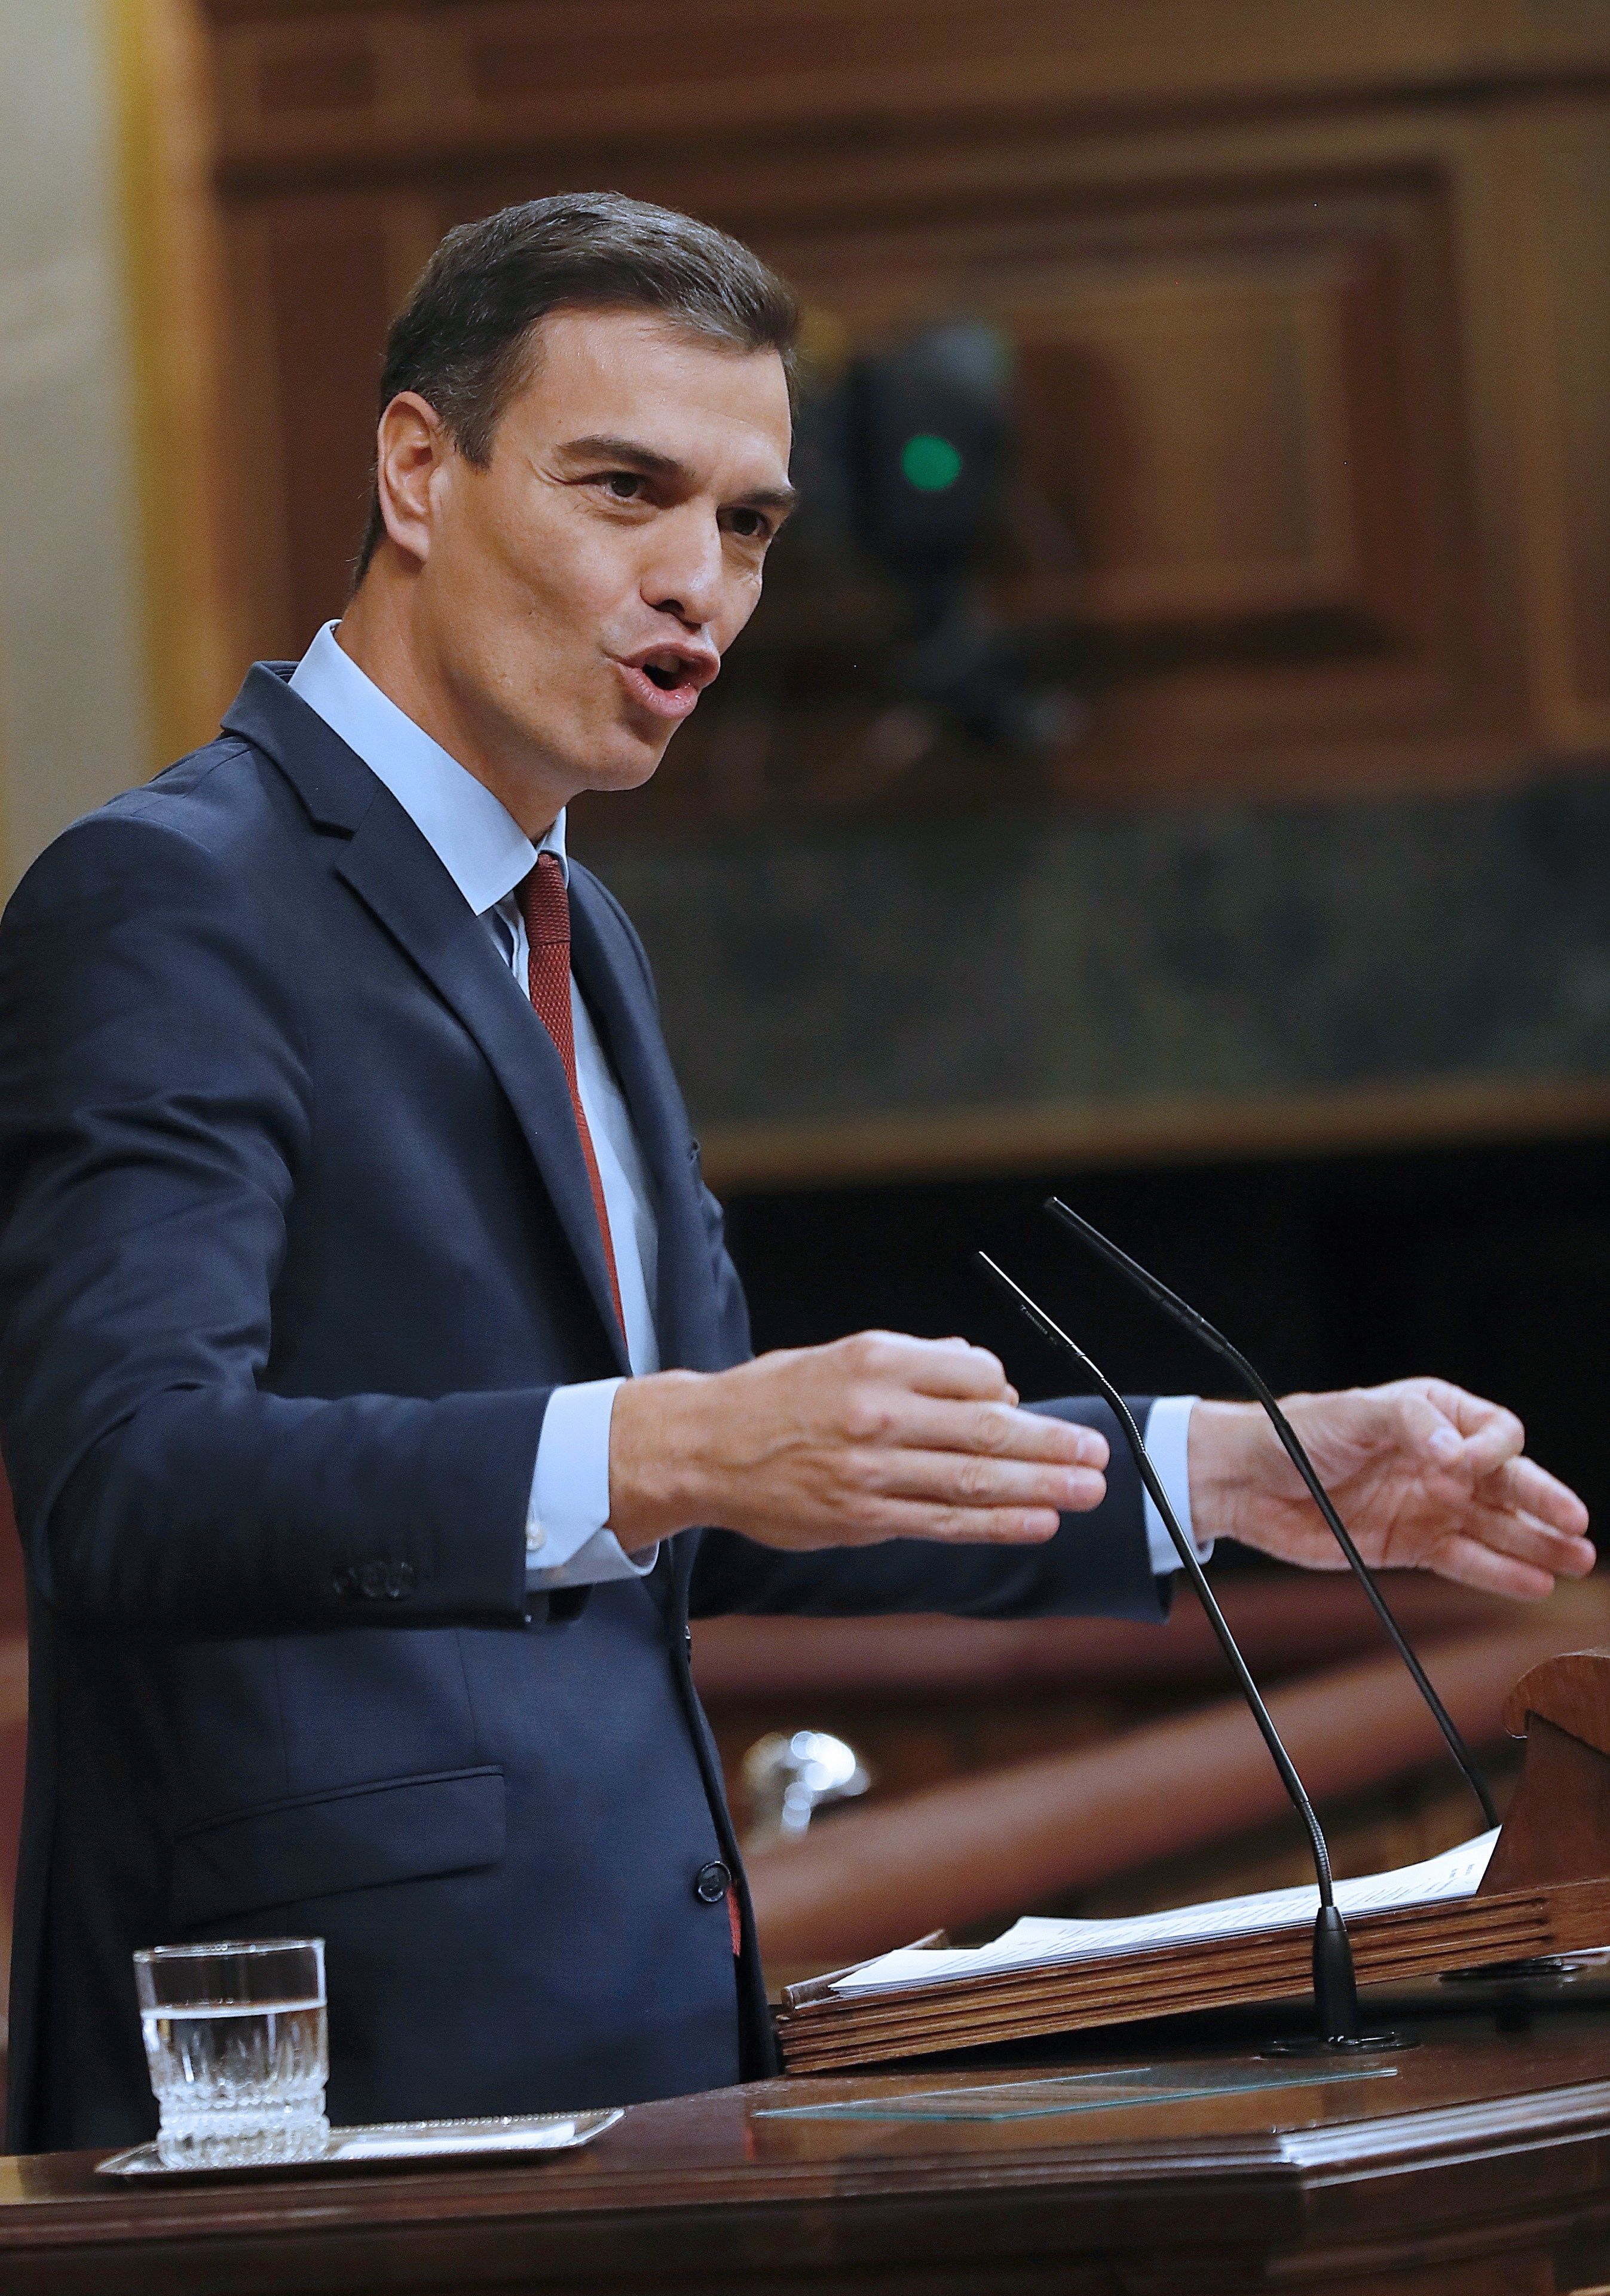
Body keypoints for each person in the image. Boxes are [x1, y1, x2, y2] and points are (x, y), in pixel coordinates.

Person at [0, 194, 1590, 2153]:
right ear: (418, 468)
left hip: (644, 2065)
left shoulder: (579, 927)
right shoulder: (172, 896)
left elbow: (723, 1496)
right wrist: (677, 1445)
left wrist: (1227, 1469)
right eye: (624, 489)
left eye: (747, 525)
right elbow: (122, 1482)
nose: (700, 586)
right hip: (316, 2104)